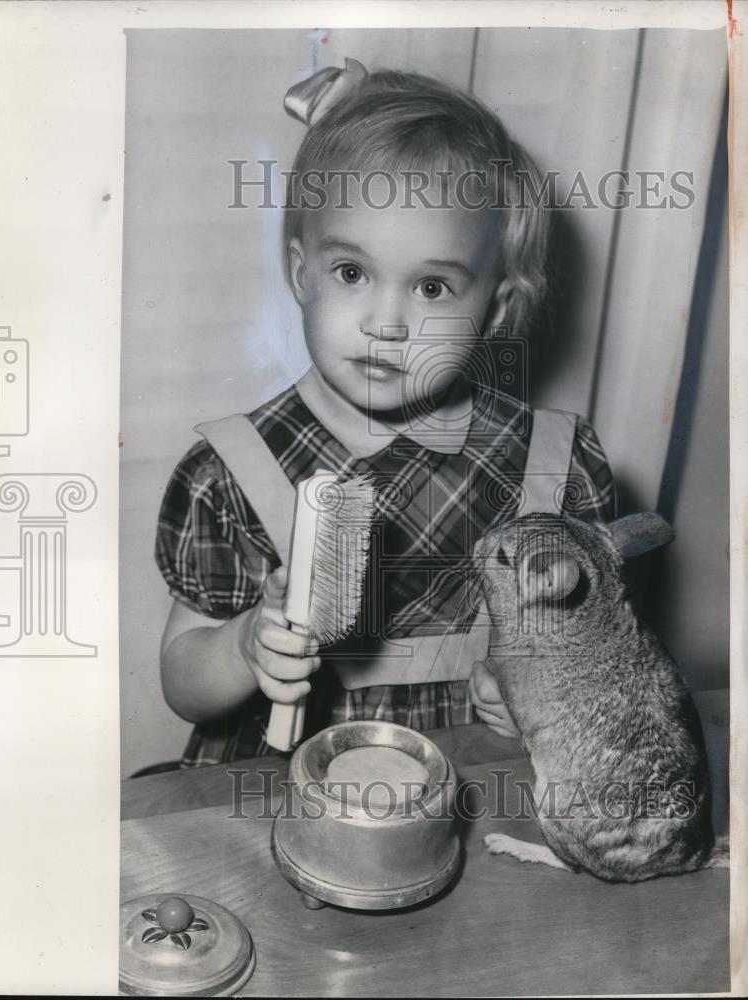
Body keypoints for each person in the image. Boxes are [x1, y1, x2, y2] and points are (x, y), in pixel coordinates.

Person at [155, 60, 616, 765]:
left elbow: (596, 651)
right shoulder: (230, 472)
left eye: (431, 286)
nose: (386, 322)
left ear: (493, 308)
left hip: (471, 784)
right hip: (283, 797)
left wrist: (530, 683)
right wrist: (245, 647)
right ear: (300, 269)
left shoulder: (552, 468)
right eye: (351, 273)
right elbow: (183, 683)